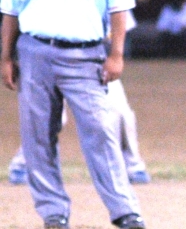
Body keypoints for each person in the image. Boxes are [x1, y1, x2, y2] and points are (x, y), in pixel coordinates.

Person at [0, 0, 146, 229]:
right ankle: (53, 210)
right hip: (35, 53)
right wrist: (6, 57)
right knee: (37, 135)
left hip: (85, 54)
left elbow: (119, 8)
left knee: (101, 130)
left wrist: (116, 55)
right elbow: (10, 12)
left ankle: (124, 209)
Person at [7, 10, 152, 186]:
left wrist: (115, 53)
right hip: (52, 56)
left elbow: (121, 20)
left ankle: (131, 166)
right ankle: (24, 164)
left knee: (119, 111)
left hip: (95, 55)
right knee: (50, 114)